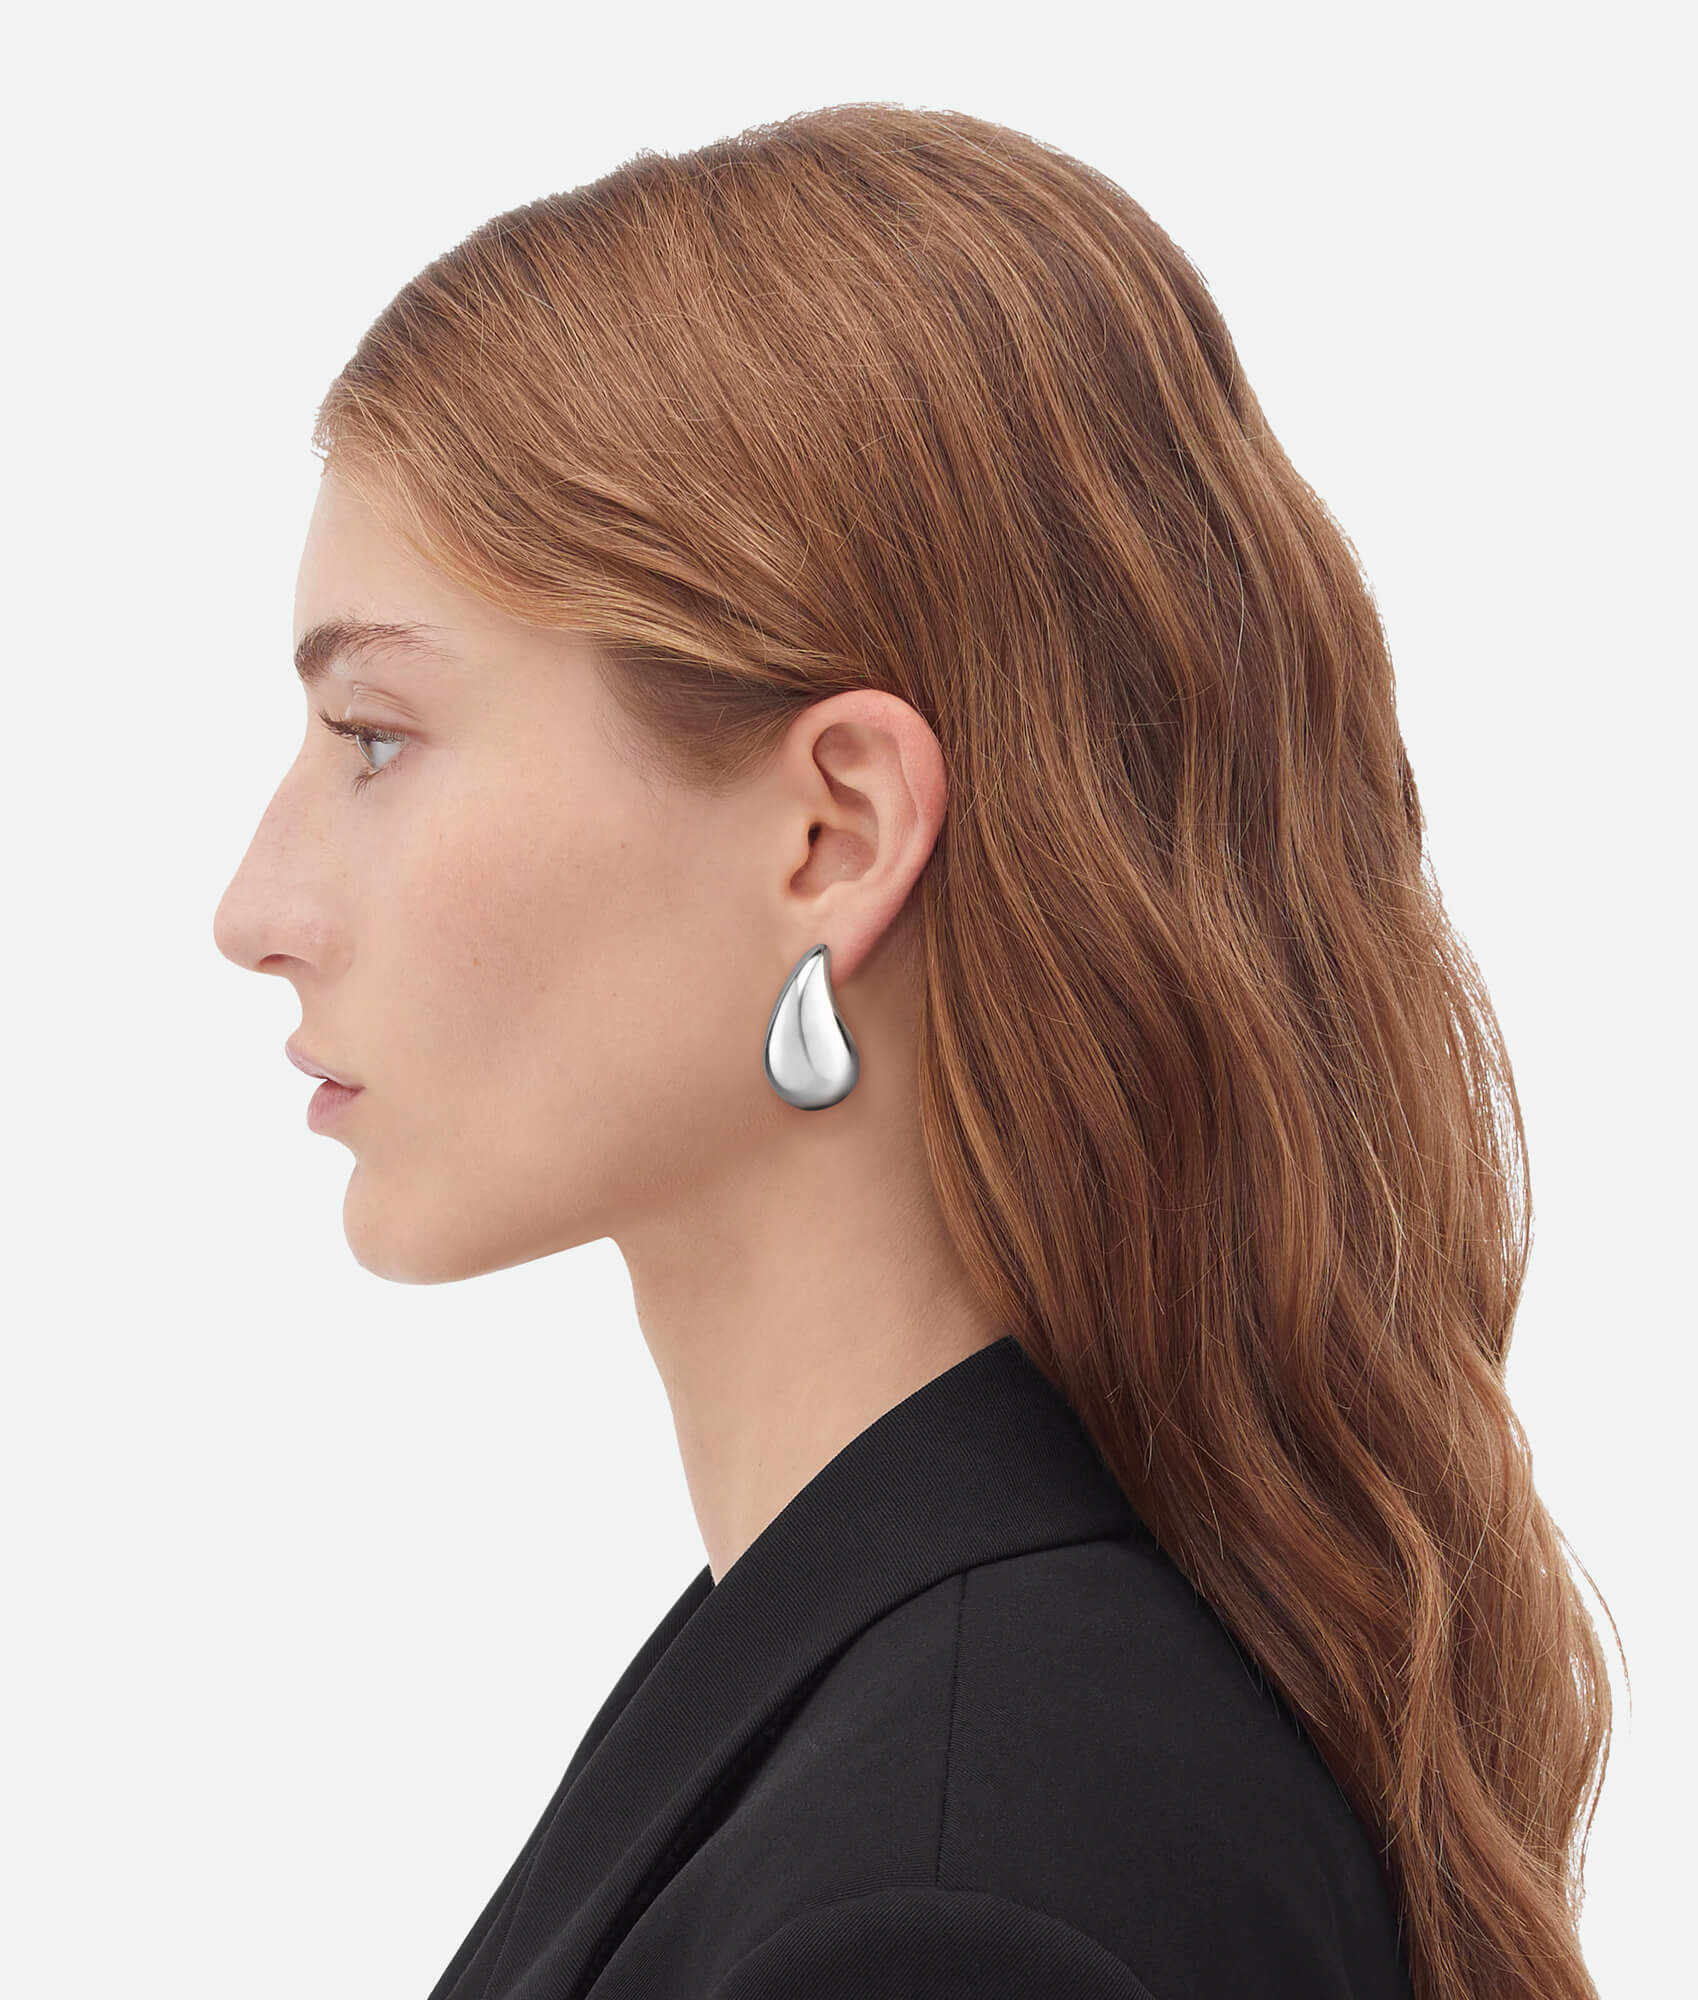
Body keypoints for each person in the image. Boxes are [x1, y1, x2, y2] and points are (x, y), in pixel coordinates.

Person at [211, 102, 1614, 2000]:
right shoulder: (910, 1704)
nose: (255, 906)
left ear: (834, 835)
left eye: (376, 737)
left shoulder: (944, 1895)